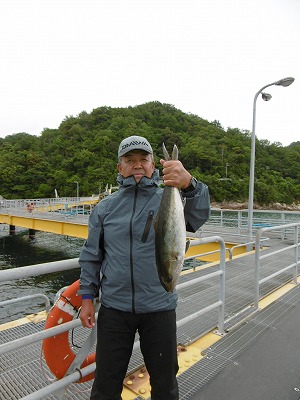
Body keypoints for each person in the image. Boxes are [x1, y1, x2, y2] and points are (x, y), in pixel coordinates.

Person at [78, 135, 210, 400]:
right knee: (105, 384)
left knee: (164, 383)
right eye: (130, 160)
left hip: (159, 307)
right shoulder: (105, 208)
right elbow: (92, 255)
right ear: (120, 167)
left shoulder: (168, 198)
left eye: (143, 159)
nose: (137, 165)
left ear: (153, 166)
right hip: (115, 309)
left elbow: (197, 216)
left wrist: (189, 184)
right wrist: (87, 298)